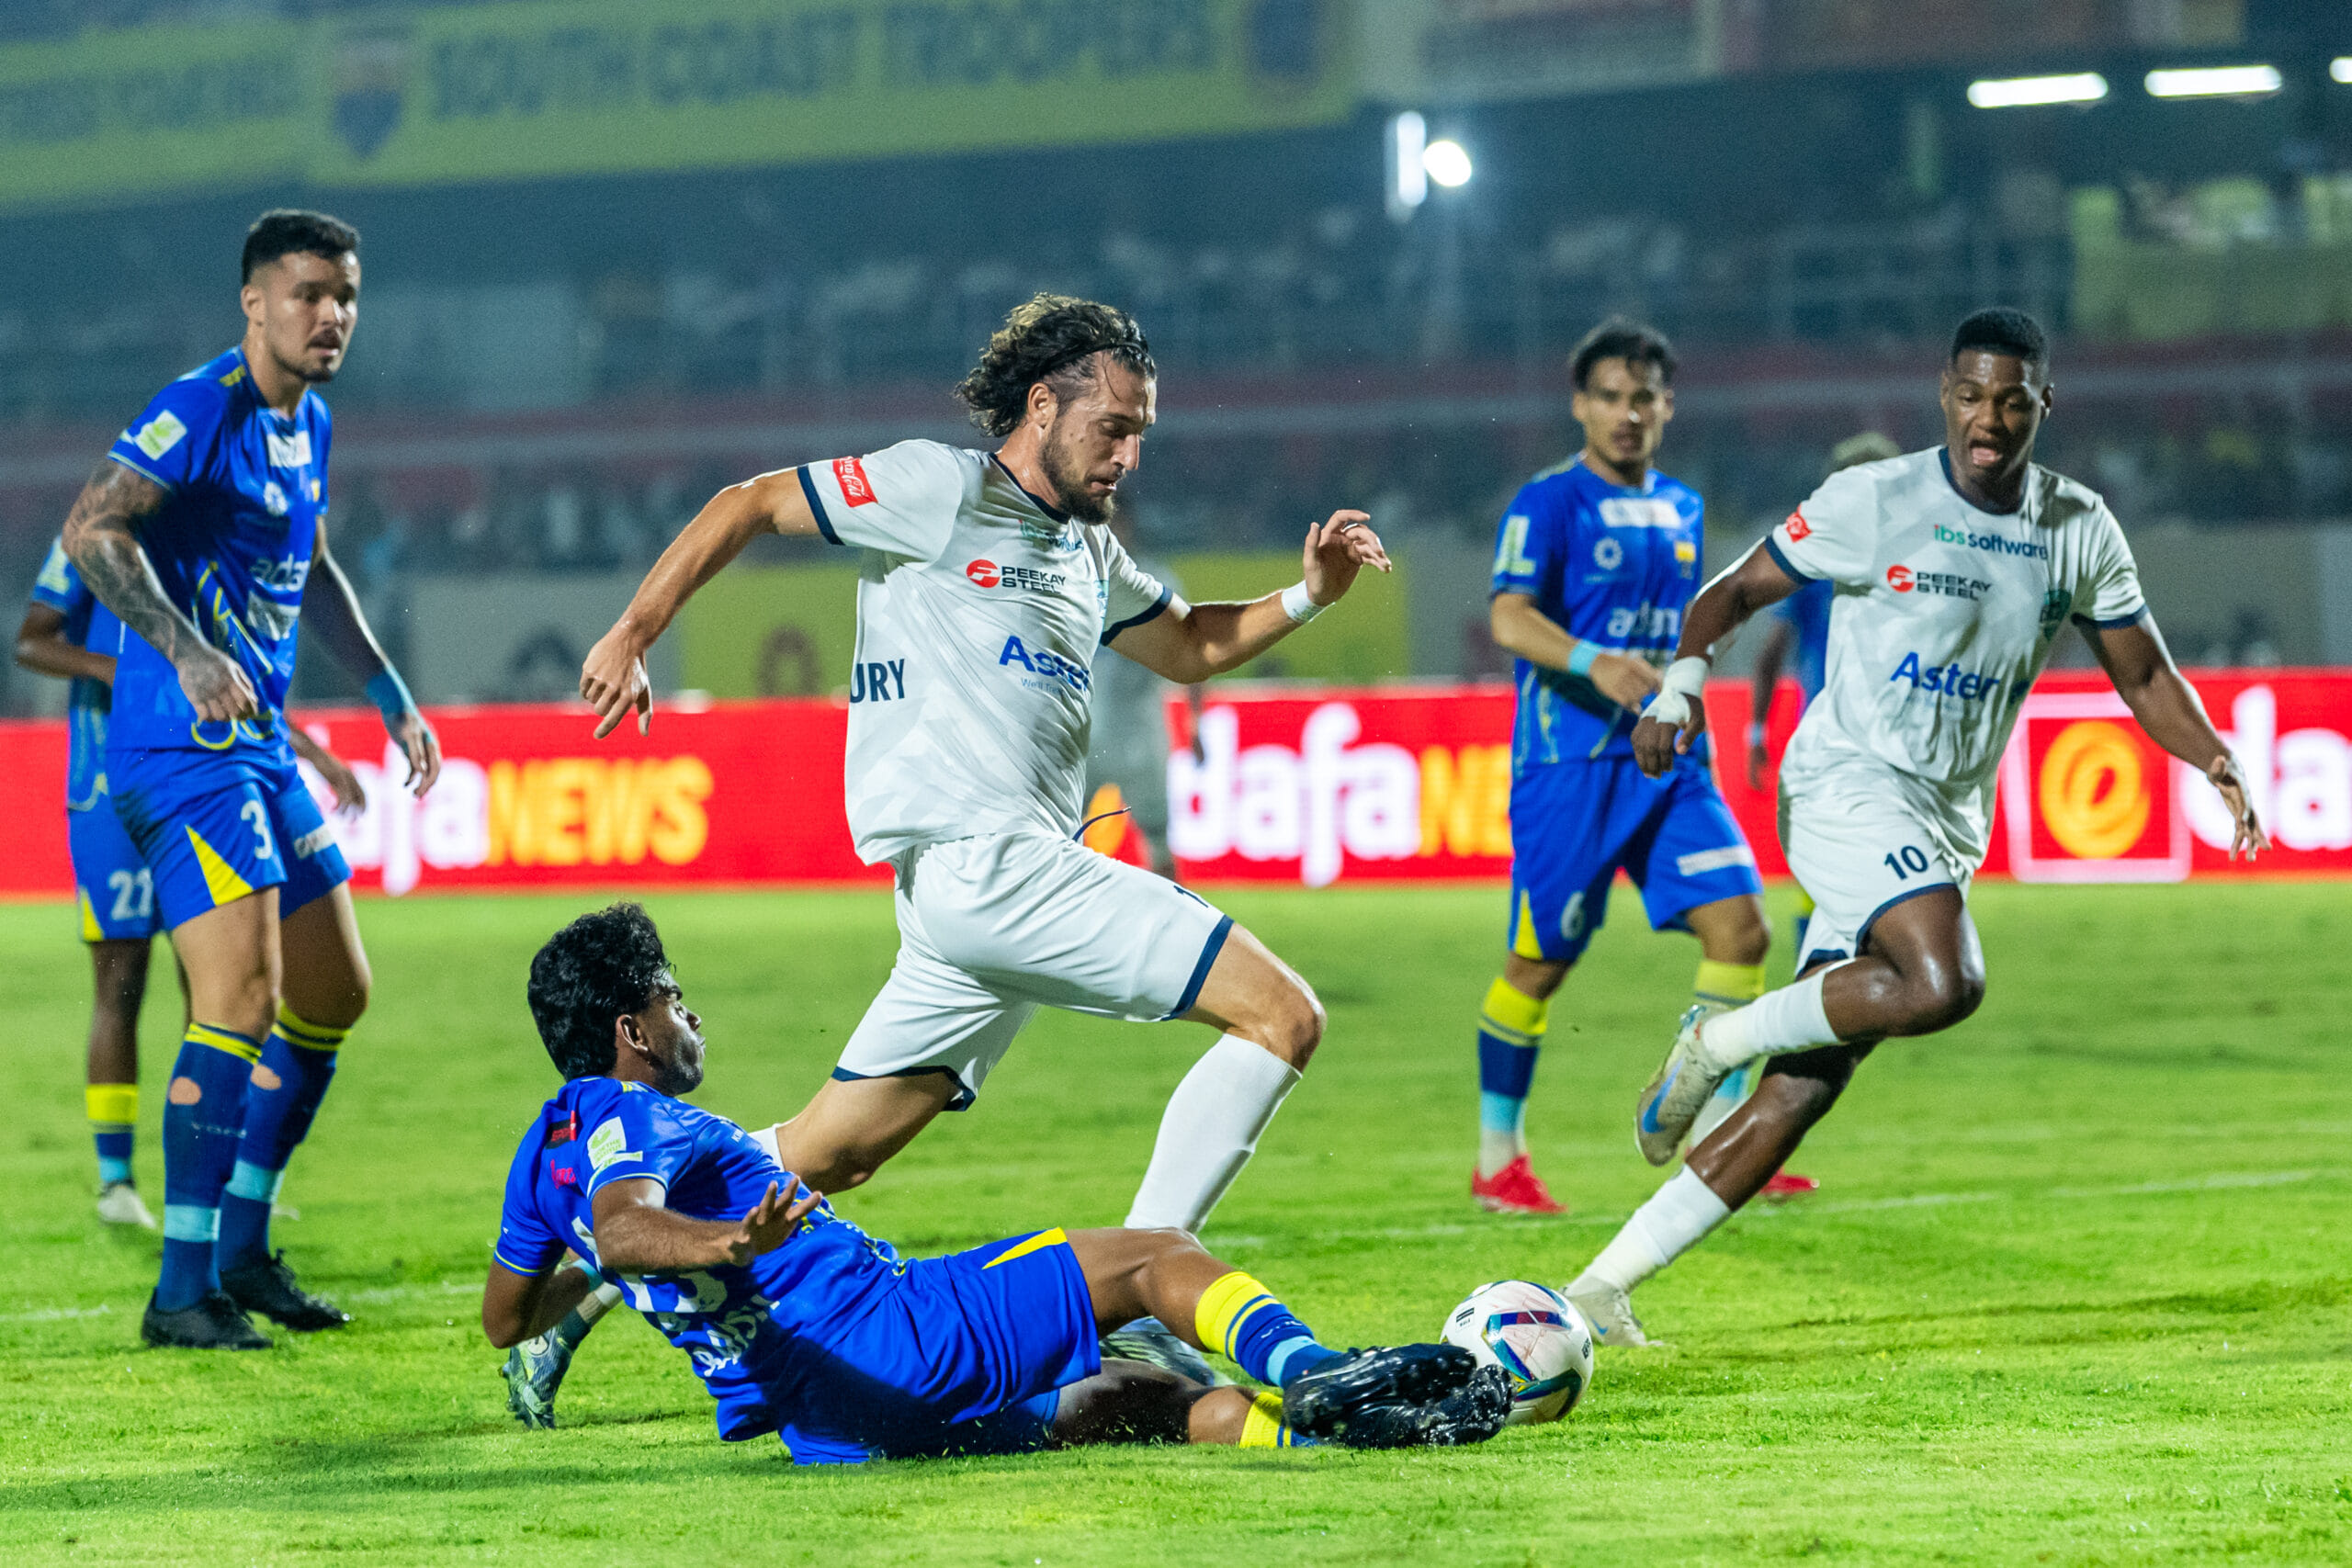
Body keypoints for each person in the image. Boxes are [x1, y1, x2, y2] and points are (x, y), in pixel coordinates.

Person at [578, 294, 1387, 1231]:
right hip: (987, 865)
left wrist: (1308, 596)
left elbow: (1191, 646)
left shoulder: (1086, 550)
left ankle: (596, 1262)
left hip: (964, 909)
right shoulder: (940, 488)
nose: (1128, 456)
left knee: (825, 1156)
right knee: (1284, 1015)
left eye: (1141, 435)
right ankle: (1141, 1288)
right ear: (1042, 405)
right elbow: (749, 502)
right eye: (1112, 428)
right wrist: (636, 630)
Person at [1560, 309, 2267, 1348]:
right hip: (1845, 782)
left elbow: (2145, 672)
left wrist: (2214, 757)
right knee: (1945, 982)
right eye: (1972, 397)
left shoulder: (2078, 527)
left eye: (2011, 400)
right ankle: (1711, 1042)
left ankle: (1597, 1287)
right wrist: (1677, 693)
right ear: (1945, 394)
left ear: (2042, 405)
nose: (1989, 419)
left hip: (1942, 820)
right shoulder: (1875, 499)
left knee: (1806, 1086)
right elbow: (1733, 590)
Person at [484, 903, 1509, 1461]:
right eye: (673, 1001)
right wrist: (725, 1247)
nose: (691, 1018)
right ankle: (1314, 1367)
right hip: (894, 1334)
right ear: (630, 1033)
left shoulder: (541, 1159)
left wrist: (647, 1274)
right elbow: (626, 1229)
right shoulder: (635, 1115)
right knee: (1154, 1261)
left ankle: (1355, 1437)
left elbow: (505, 1319)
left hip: (834, 1427)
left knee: (1133, 1397)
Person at [60, 209, 442, 1349]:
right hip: (179, 752)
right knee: (235, 1002)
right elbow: (91, 530)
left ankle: (241, 1248)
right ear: (254, 303)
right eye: (310, 294)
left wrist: (384, 689)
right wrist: (182, 647)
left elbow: (309, 560)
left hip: (261, 745)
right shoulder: (202, 406)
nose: (332, 316)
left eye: (348, 297)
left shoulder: (307, 421)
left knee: (334, 994)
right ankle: (182, 1289)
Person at [1467, 319, 1770, 1216]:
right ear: (1580, 406)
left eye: (1643, 398)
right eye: (1608, 397)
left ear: (1667, 406)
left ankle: (1720, 1137)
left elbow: (1687, 625)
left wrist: (1687, 685)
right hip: (1570, 761)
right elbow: (1508, 618)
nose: (1626, 414)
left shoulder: (1681, 505)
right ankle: (1497, 1161)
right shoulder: (1548, 502)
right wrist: (1597, 663)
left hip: (1670, 756)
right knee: (1540, 962)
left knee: (1744, 934)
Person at [16, 538, 366, 1229]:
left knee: (215, 987)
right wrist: (126, 672)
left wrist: (312, 751)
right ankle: (116, 1182)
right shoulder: (90, 541)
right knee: (120, 981)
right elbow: (32, 641)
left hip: (198, 785)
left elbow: (244, 679)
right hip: (108, 794)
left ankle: (211, 1181)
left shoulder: (211, 542)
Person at [1686, 432, 1906, 1187]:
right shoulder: (1823, 559)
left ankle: (1744, 1122)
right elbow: (1771, 638)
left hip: (1885, 779)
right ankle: (1741, 1115)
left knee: (1834, 955)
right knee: (1826, 955)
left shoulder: (1908, 562)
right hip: (1835, 779)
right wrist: (1754, 727)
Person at [1081, 510, 1201, 877]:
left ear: (1128, 526)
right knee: (1059, 837)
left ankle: (1177, 923)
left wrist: (1195, 724)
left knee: (1157, 837)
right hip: (1081, 730)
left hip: (1138, 731)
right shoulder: (1070, 573)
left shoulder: (1156, 580)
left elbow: (1192, 649)